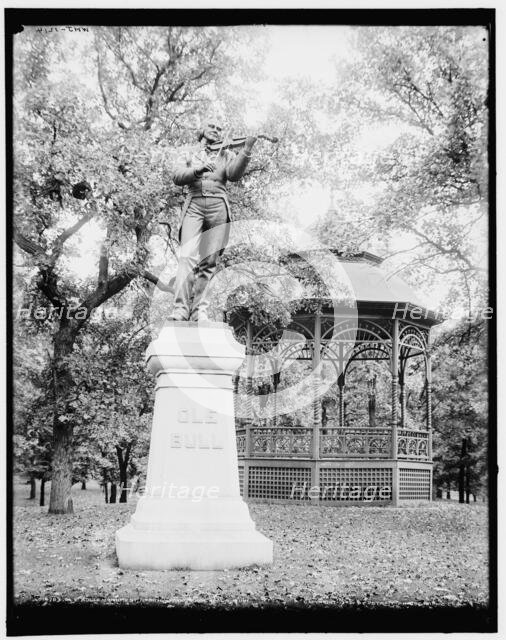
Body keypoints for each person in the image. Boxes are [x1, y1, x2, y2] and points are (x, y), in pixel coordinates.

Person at [168, 120, 257, 322]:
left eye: (219, 129)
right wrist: (198, 170)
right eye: (212, 126)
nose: (216, 130)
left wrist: (247, 150)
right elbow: (177, 176)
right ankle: (180, 309)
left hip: (218, 205)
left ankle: (200, 310)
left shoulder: (226, 154)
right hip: (195, 203)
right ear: (202, 129)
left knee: (209, 261)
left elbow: (234, 175)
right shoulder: (189, 152)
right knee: (187, 257)